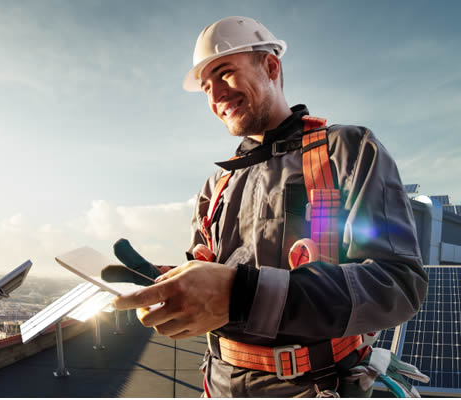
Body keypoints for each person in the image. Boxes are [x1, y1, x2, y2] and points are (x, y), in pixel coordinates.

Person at [114, 16, 428, 397]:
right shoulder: (217, 187)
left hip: (314, 385)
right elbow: (212, 278)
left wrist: (244, 295)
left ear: (271, 67)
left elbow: (396, 284)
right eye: (206, 87)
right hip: (219, 383)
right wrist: (167, 282)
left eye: (225, 73)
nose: (215, 95)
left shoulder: (346, 151)